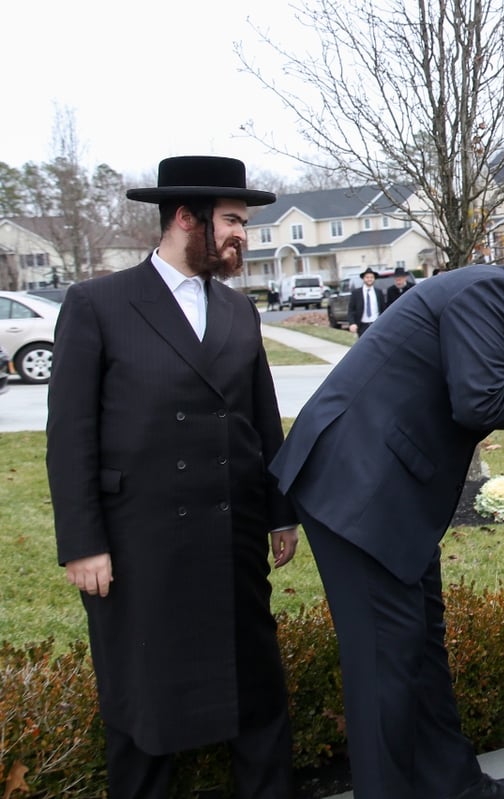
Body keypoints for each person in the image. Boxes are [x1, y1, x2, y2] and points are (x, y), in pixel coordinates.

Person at [269, 217, 504, 799]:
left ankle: (457, 787)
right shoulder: (488, 293)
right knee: (385, 669)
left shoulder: (498, 298)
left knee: (420, 648)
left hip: (388, 496)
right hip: (358, 494)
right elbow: (478, 400)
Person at [46, 155, 299, 798]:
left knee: (258, 692)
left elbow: (262, 417)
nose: (244, 233)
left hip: (232, 535)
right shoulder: (97, 303)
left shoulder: (241, 312)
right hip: (140, 546)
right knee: (143, 707)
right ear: (186, 218)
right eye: (234, 221)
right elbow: (70, 434)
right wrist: (82, 542)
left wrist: (279, 510)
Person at [348, 266, 386, 336]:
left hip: (376, 324)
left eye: (371, 277)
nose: (369, 279)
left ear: (374, 279)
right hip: (362, 326)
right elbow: (351, 310)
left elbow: (383, 309)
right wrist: (352, 323)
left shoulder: (378, 292)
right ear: (363, 279)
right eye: (367, 277)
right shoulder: (356, 293)